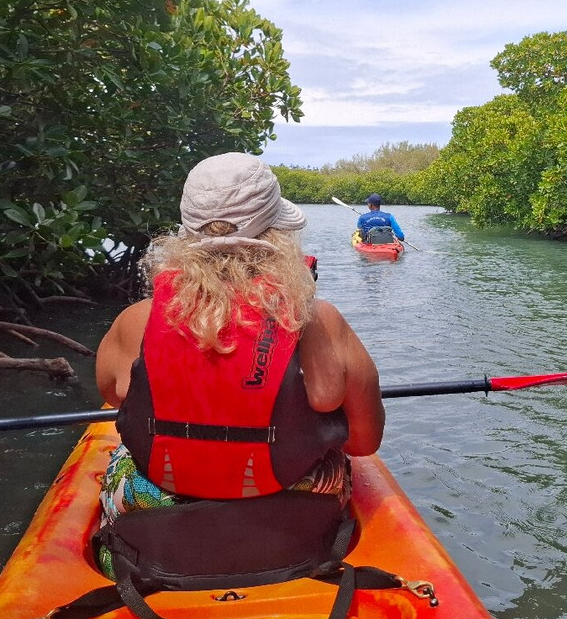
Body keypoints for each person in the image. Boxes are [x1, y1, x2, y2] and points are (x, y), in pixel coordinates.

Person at [92, 152, 384, 599]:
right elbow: (362, 443)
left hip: (163, 508)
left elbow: (116, 401)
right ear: (278, 234)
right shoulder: (319, 320)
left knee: (119, 456)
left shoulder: (136, 321)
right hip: (292, 503)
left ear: (186, 234)